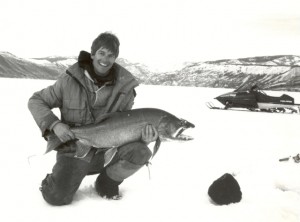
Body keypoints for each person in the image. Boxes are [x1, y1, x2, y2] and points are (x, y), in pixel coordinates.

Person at [28, 32, 158, 206]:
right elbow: (36, 101)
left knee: (141, 152)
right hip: (75, 150)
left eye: (111, 55)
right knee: (56, 197)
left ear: (115, 58)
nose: (105, 59)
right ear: (93, 54)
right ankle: (55, 181)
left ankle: (107, 183)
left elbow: (125, 127)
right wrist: (55, 124)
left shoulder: (126, 89)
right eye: (102, 53)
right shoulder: (68, 81)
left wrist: (144, 138)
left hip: (107, 151)